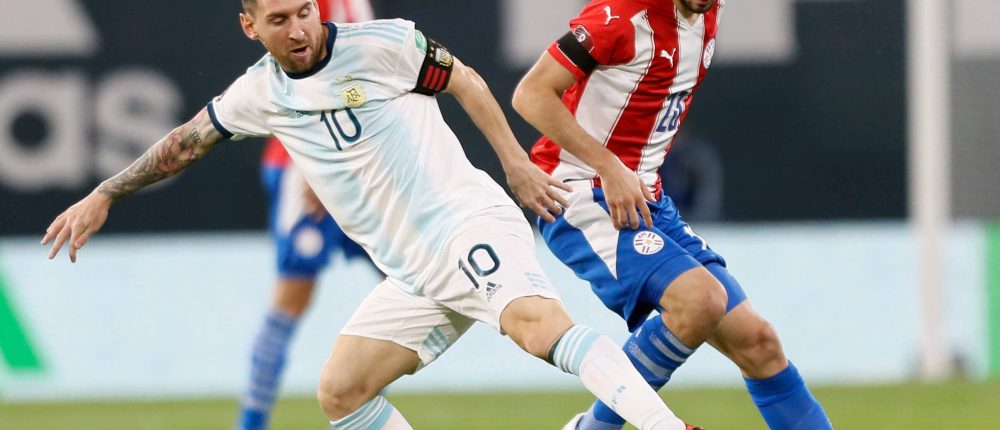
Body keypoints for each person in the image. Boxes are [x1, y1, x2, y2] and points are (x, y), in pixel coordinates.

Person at [41, 1, 703, 429]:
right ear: (250, 27)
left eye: (305, 11)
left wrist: (514, 163)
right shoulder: (257, 93)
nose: (299, 29)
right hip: (413, 271)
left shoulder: (383, 44)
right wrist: (105, 193)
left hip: (466, 223)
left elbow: (467, 81)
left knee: (539, 330)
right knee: (342, 390)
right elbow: (185, 143)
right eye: (279, 20)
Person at [512, 0, 834, 429]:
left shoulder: (707, 14)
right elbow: (530, 94)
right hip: (583, 193)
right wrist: (609, 166)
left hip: (648, 199)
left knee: (759, 344)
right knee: (700, 300)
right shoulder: (621, 16)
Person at [239, 0, 376, 429]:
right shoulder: (303, 8)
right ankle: (251, 423)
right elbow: (313, 82)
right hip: (305, 167)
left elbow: (365, 79)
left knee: (411, 285)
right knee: (291, 297)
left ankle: (368, 408)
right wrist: (317, 166)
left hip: (357, 168)